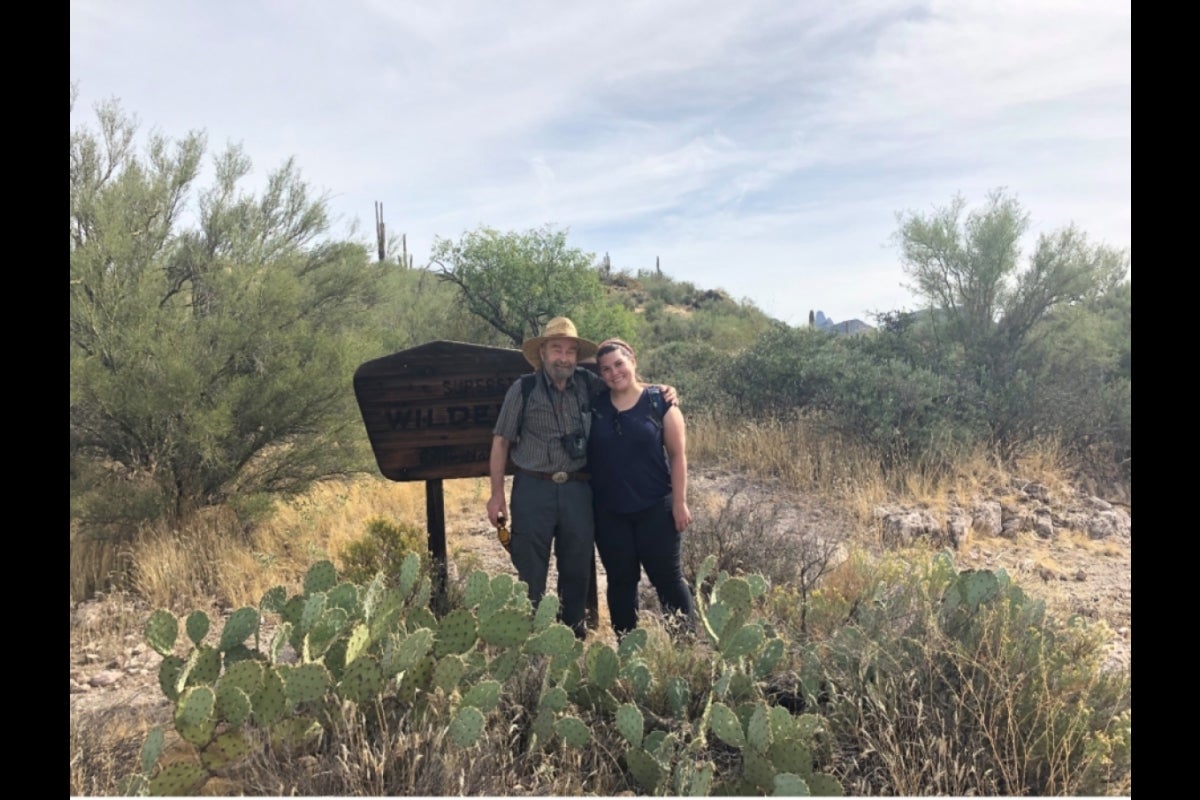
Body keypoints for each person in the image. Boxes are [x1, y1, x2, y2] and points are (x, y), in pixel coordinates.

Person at [587, 338, 695, 636]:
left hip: (656, 507)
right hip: (609, 513)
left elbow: (677, 455)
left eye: (619, 364)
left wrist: (680, 502)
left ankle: (684, 646)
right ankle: (627, 650)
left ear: (632, 361)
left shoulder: (660, 403)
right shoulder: (594, 406)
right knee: (621, 581)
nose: (613, 373)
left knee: (668, 579)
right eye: (605, 369)